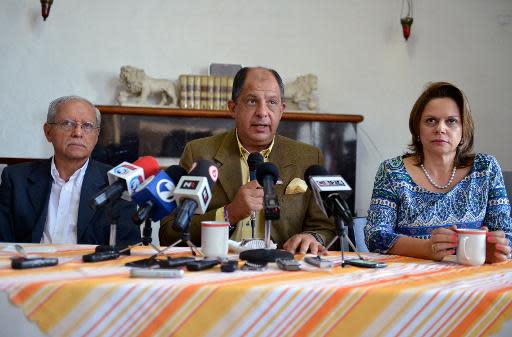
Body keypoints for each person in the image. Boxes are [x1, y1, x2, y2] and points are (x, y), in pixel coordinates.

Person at [159, 67, 335, 254]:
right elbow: (169, 233)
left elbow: (326, 228)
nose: (262, 112)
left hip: (282, 269)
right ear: (233, 108)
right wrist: (229, 214)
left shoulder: (307, 157)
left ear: (282, 110)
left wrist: (312, 237)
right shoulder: (200, 153)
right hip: (219, 267)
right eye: (252, 101)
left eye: (272, 102)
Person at [365, 82, 511, 263]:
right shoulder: (392, 171)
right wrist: (426, 249)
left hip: (472, 280)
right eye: (430, 121)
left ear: (464, 130)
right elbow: (376, 236)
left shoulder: (486, 169)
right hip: (410, 280)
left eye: (451, 121)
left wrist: (495, 249)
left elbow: (506, 234)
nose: (440, 128)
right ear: (417, 129)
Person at [0, 95, 141, 245]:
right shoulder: (16, 179)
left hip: (90, 267)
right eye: (67, 123)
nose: (78, 133)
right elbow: (3, 244)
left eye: (87, 126)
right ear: (48, 132)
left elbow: (128, 248)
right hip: (29, 266)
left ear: (96, 136)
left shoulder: (118, 183)